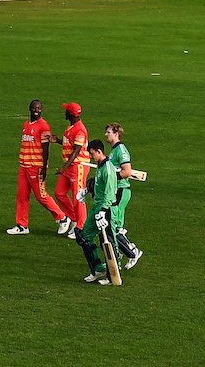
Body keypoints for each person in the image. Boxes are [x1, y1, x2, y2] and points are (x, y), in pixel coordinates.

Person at [6, 99, 70, 236]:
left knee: (41, 196)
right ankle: (22, 225)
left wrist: (44, 167)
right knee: (22, 196)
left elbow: (46, 148)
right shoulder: (25, 125)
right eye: (34, 108)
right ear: (30, 109)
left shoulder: (43, 126)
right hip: (24, 166)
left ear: (42, 110)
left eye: (39, 108)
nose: (36, 110)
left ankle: (62, 218)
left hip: (36, 167)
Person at [73, 140, 121, 285]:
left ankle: (113, 275)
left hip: (107, 209)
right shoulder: (100, 166)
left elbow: (110, 193)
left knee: (109, 241)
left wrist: (103, 211)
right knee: (83, 237)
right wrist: (87, 190)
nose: (91, 156)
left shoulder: (108, 168)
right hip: (96, 207)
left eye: (92, 153)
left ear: (99, 151)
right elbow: (98, 184)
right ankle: (98, 269)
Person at [46, 103, 89, 234]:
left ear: (70, 114)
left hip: (78, 166)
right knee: (59, 193)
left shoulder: (80, 129)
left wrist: (63, 168)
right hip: (70, 166)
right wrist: (58, 140)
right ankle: (74, 218)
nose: (64, 113)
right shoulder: (72, 127)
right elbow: (71, 144)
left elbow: (76, 151)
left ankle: (81, 227)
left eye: (66, 111)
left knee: (78, 197)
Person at [104, 123, 142, 268]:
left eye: (108, 132)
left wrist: (111, 177)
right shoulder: (114, 150)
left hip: (121, 190)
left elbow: (126, 171)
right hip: (117, 190)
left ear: (116, 133)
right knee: (113, 225)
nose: (106, 134)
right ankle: (120, 251)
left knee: (115, 227)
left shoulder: (120, 150)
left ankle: (132, 252)